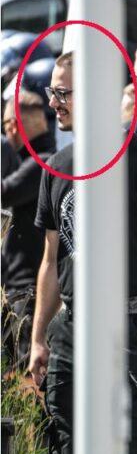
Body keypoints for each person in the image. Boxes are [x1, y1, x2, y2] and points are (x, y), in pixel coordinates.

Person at [27, 50, 137, 454]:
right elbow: (50, 261)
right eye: (52, 91)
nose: (53, 101)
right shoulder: (57, 168)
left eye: (64, 92)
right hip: (73, 332)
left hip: (135, 328)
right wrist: (40, 339)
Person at [2, 87, 53, 367]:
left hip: (28, 287)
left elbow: (5, 192)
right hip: (27, 285)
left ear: (14, 126)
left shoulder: (42, 162)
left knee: (26, 374)